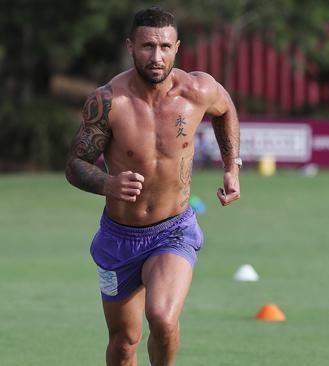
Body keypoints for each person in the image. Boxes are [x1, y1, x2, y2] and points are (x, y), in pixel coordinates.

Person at [65, 7, 241, 366]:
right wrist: (108, 184)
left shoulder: (198, 89)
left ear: (177, 47)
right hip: (118, 237)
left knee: (162, 318)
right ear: (131, 46)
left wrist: (231, 166)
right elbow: (75, 166)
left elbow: (226, 111)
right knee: (124, 343)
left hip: (173, 230)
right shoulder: (108, 101)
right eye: (147, 46)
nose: (156, 56)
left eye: (164, 47)